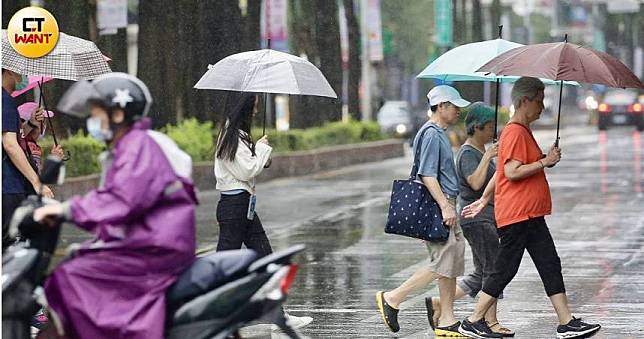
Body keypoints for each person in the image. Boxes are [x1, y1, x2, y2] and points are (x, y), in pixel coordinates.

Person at [32, 72, 197, 339]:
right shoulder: (127, 147)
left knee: (70, 276)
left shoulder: (137, 146)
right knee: (76, 260)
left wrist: (66, 210)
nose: (92, 121)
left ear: (118, 115)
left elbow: (121, 200)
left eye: (96, 114)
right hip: (145, 240)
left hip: (155, 247)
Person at [458, 77, 601, 339]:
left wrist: (485, 198)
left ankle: (566, 321)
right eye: (539, 100)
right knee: (505, 268)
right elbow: (512, 172)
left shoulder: (522, 131)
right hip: (518, 214)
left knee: (549, 263)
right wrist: (545, 162)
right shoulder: (514, 131)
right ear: (525, 101)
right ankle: (473, 319)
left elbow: (500, 172)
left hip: (531, 214)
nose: (543, 106)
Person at [376, 85, 469, 337]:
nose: (459, 110)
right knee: (442, 262)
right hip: (440, 203)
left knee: (451, 260)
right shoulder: (430, 133)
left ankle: (447, 318)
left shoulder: (439, 132)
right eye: (454, 106)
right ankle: (393, 298)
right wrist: (444, 206)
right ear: (441, 106)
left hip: (445, 202)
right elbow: (427, 174)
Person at [214, 93, 312, 330]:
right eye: (254, 107)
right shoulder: (231, 136)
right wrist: (260, 148)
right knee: (226, 265)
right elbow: (247, 171)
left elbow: (249, 165)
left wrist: (260, 153)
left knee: (266, 257)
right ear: (244, 109)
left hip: (241, 206)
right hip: (235, 206)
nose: (256, 111)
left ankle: (278, 315)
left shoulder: (238, 136)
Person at [426, 102, 514, 337]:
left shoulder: (479, 152)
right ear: (477, 128)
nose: (492, 133)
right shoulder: (467, 153)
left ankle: (438, 303)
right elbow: (475, 183)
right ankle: (489, 320)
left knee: (480, 272)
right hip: (477, 219)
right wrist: (488, 157)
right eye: (489, 127)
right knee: (493, 270)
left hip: (486, 217)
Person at [2, 68, 53, 251]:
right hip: (8, 186)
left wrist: (31, 123)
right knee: (11, 250)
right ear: (8, 71)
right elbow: (10, 144)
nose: (22, 75)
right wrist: (36, 181)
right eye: (19, 70)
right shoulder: (4, 100)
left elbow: (14, 137)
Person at [18, 102, 65, 173]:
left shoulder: (29, 145)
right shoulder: (28, 147)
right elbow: (39, 177)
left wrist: (54, 157)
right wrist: (54, 160)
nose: (44, 124)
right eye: (43, 120)